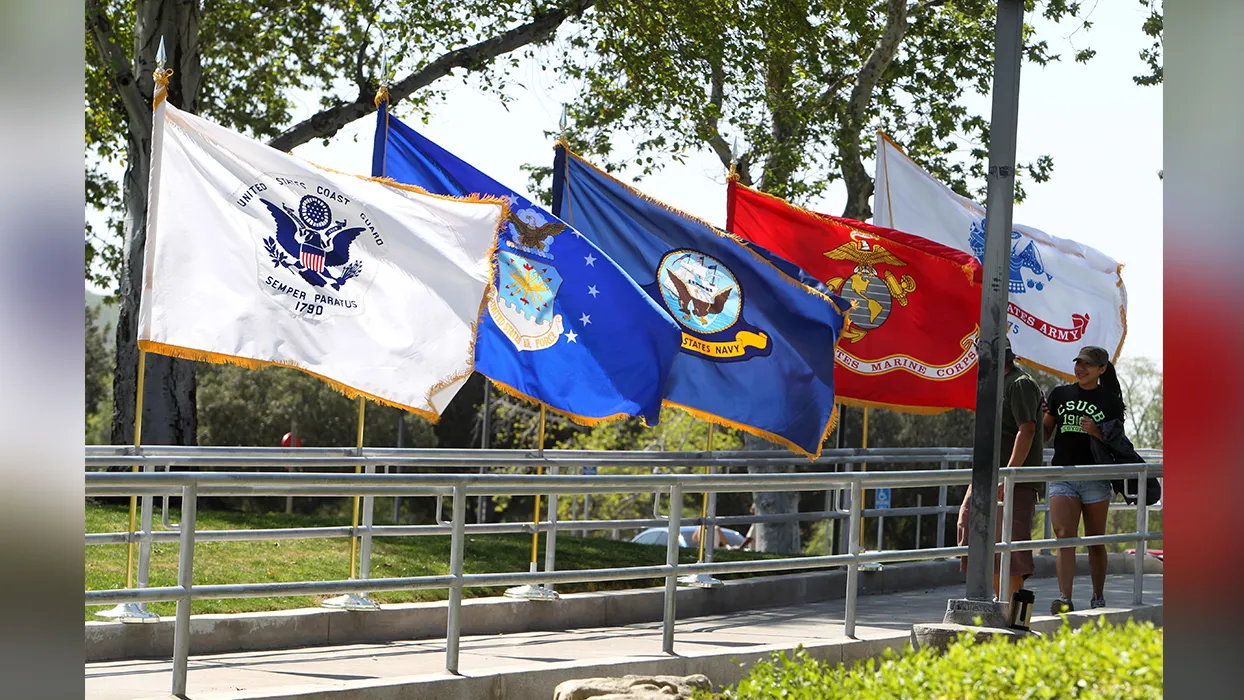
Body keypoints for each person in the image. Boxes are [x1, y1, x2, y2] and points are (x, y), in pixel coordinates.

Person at [957, 338, 1044, 600]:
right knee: (968, 525)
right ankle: (992, 599)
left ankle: (1008, 606)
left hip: (1010, 478)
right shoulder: (991, 383)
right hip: (985, 474)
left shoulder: (1020, 384)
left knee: (1011, 542)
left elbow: (1027, 431)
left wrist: (1009, 476)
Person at [1044, 346, 1125, 614]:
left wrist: (1097, 433)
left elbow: (1118, 444)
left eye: (1088, 364)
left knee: (1094, 540)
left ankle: (1098, 596)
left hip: (1095, 477)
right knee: (1064, 537)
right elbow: (1045, 430)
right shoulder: (1060, 394)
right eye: (1078, 362)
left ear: (1101, 369)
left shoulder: (1110, 401)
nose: (1080, 368)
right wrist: (1036, 414)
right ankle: (1064, 598)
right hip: (1062, 475)